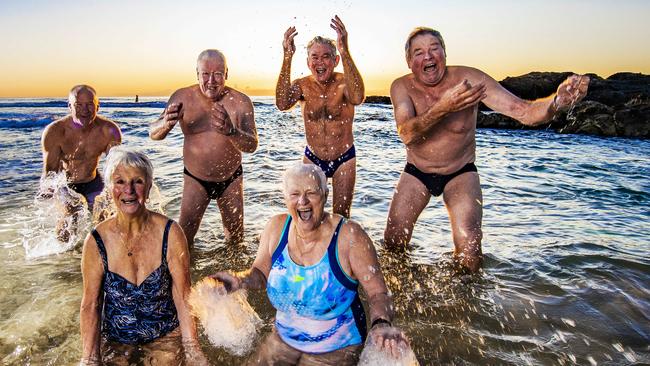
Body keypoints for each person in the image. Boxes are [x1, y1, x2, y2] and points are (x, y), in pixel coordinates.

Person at [384, 27, 589, 272]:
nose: (428, 56)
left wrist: (556, 102)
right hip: (417, 171)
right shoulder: (401, 87)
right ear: (409, 62)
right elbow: (407, 133)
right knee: (393, 242)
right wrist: (444, 106)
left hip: (460, 172)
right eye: (419, 52)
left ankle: (464, 303)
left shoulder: (470, 80)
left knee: (470, 250)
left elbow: (523, 112)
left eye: (434, 49)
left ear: (445, 54)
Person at [212, 163, 409, 365]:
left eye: (311, 192)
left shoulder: (349, 237)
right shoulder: (275, 228)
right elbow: (261, 274)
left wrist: (381, 323)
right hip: (283, 340)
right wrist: (239, 280)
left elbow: (378, 294)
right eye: (295, 194)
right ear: (286, 198)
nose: (302, 201)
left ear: (325, 194)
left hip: (336, 345)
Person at [79, 147, 208, 365]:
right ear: (110, 188)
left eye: (137, 181)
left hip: (165, 335)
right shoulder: (96, 241)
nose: (128, 190)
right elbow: (91, 304)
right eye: (119, 182)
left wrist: (193, 350)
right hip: (116, 339)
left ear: (148, 188)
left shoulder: (170, 232)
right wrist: (89, 358)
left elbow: (183, 295)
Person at [150, 49, 258, 246]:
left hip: (231, 178)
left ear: (226, 74)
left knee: (236, 242)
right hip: (195, 179)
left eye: (218, 74)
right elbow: (153, 133)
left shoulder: (241, 102)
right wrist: (164, 124)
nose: (211, 81)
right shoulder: (182, 97)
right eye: (205, 74)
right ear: (197, 74)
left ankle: (232, 276)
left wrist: (231, 132)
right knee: (183, 241)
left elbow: (252, 145)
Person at [276, 15, 365, 218]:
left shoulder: (344, 82)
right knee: (308, 214)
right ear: (308, 62)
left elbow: (358, 97)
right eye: (314, 57)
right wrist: (287, 57)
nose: (320, 62)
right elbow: (282, 104)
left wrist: (344, 49)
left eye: (326, 56)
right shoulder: (303, 86)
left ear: (335, 61)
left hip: (344, 158)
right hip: (313, 158)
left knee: (341, 215)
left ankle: (337, 250)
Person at [41, 84, 122, 211]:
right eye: (78, 105)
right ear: (69, 107)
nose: (85, 110)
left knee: (104, 215)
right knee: (70, 218)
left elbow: (116, 167)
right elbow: (50, 172)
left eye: (90, 104)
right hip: (66, 185)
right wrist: (48, 192)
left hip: (93, 182)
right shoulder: (55, 132)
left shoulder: (109, 131)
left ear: (98, 107)